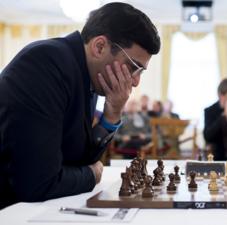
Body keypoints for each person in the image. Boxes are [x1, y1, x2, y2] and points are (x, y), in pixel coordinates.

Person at [0, 2, 160, 209]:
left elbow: (78, 159)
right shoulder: (44, 64)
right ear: (99, 47)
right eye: (133, 67)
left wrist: (112, 113)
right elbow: (38, 183)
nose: (136, 81)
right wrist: (91, 175)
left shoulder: (87, 75)